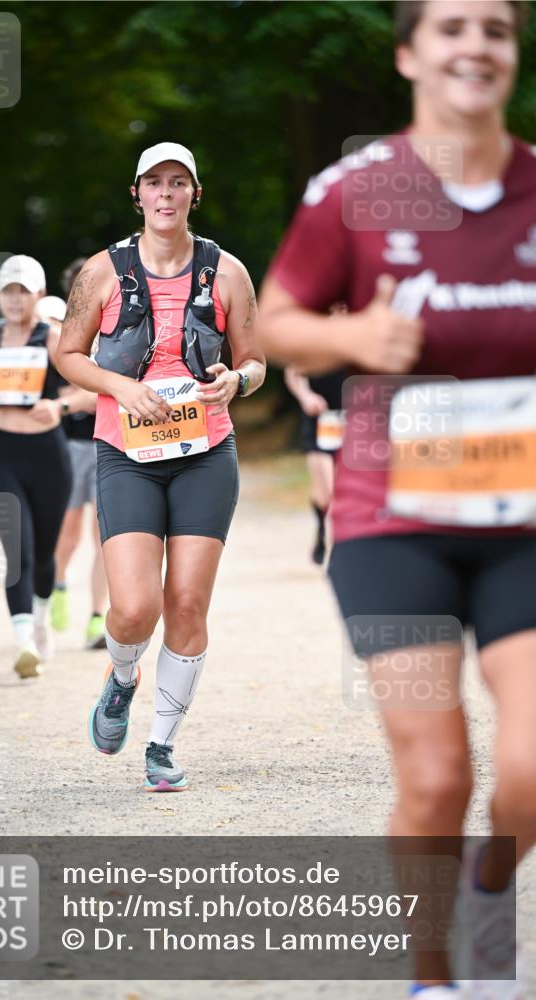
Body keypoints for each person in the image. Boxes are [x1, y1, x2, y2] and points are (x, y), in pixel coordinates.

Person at [257, 2, 535, 997]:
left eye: (495, 29)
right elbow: (274, 322)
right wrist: (350, 341)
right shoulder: (358, 190)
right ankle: (432, 978)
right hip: (391, 522)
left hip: (522, 525)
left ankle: (489, 883)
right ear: (410, 54)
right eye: (451, 27)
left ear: (512, 53)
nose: (475, 46)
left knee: (531, 767)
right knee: (434, 775)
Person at [56, 141, 266, 791]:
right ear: (137, 194)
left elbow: (255, 362)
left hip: (206, 453)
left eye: (178, 183)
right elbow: (68, 354)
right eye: (154, 183)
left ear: (194, 194)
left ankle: (161, 744)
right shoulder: (101, 271)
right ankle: (122, 678)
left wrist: (236, 380)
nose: (166, 194)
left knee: (187, 603)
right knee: (132, 607)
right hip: (127, 453)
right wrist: (119, 387)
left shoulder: (226, 272)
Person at [0, 255, 77, 679]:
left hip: (47, 455)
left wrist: (59, 406)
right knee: (18, 547)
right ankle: (23, 641)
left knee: (44, 554)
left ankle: (41, 622)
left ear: (39, 294)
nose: (14, 299)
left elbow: (85, 390)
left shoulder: (53, 338)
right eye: (8, 291)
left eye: (23, 291)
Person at [36, 279, 109, 651]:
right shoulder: (49, 351)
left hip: (108, 444)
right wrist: (87, 394)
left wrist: (86, 393)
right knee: (68, 534)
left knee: (105, 537)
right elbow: (66, 397)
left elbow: (100, 392)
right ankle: (59, 584)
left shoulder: (107, 336)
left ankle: (97, 618)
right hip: (68, 448)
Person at [283, 366, 345, 564]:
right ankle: (321, 530)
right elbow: (292, 371)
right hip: (320, 420)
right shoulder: (316, 347)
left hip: (352, 421)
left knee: (344, 491)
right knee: (326, 493)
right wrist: (306, 397)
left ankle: (340, 547)